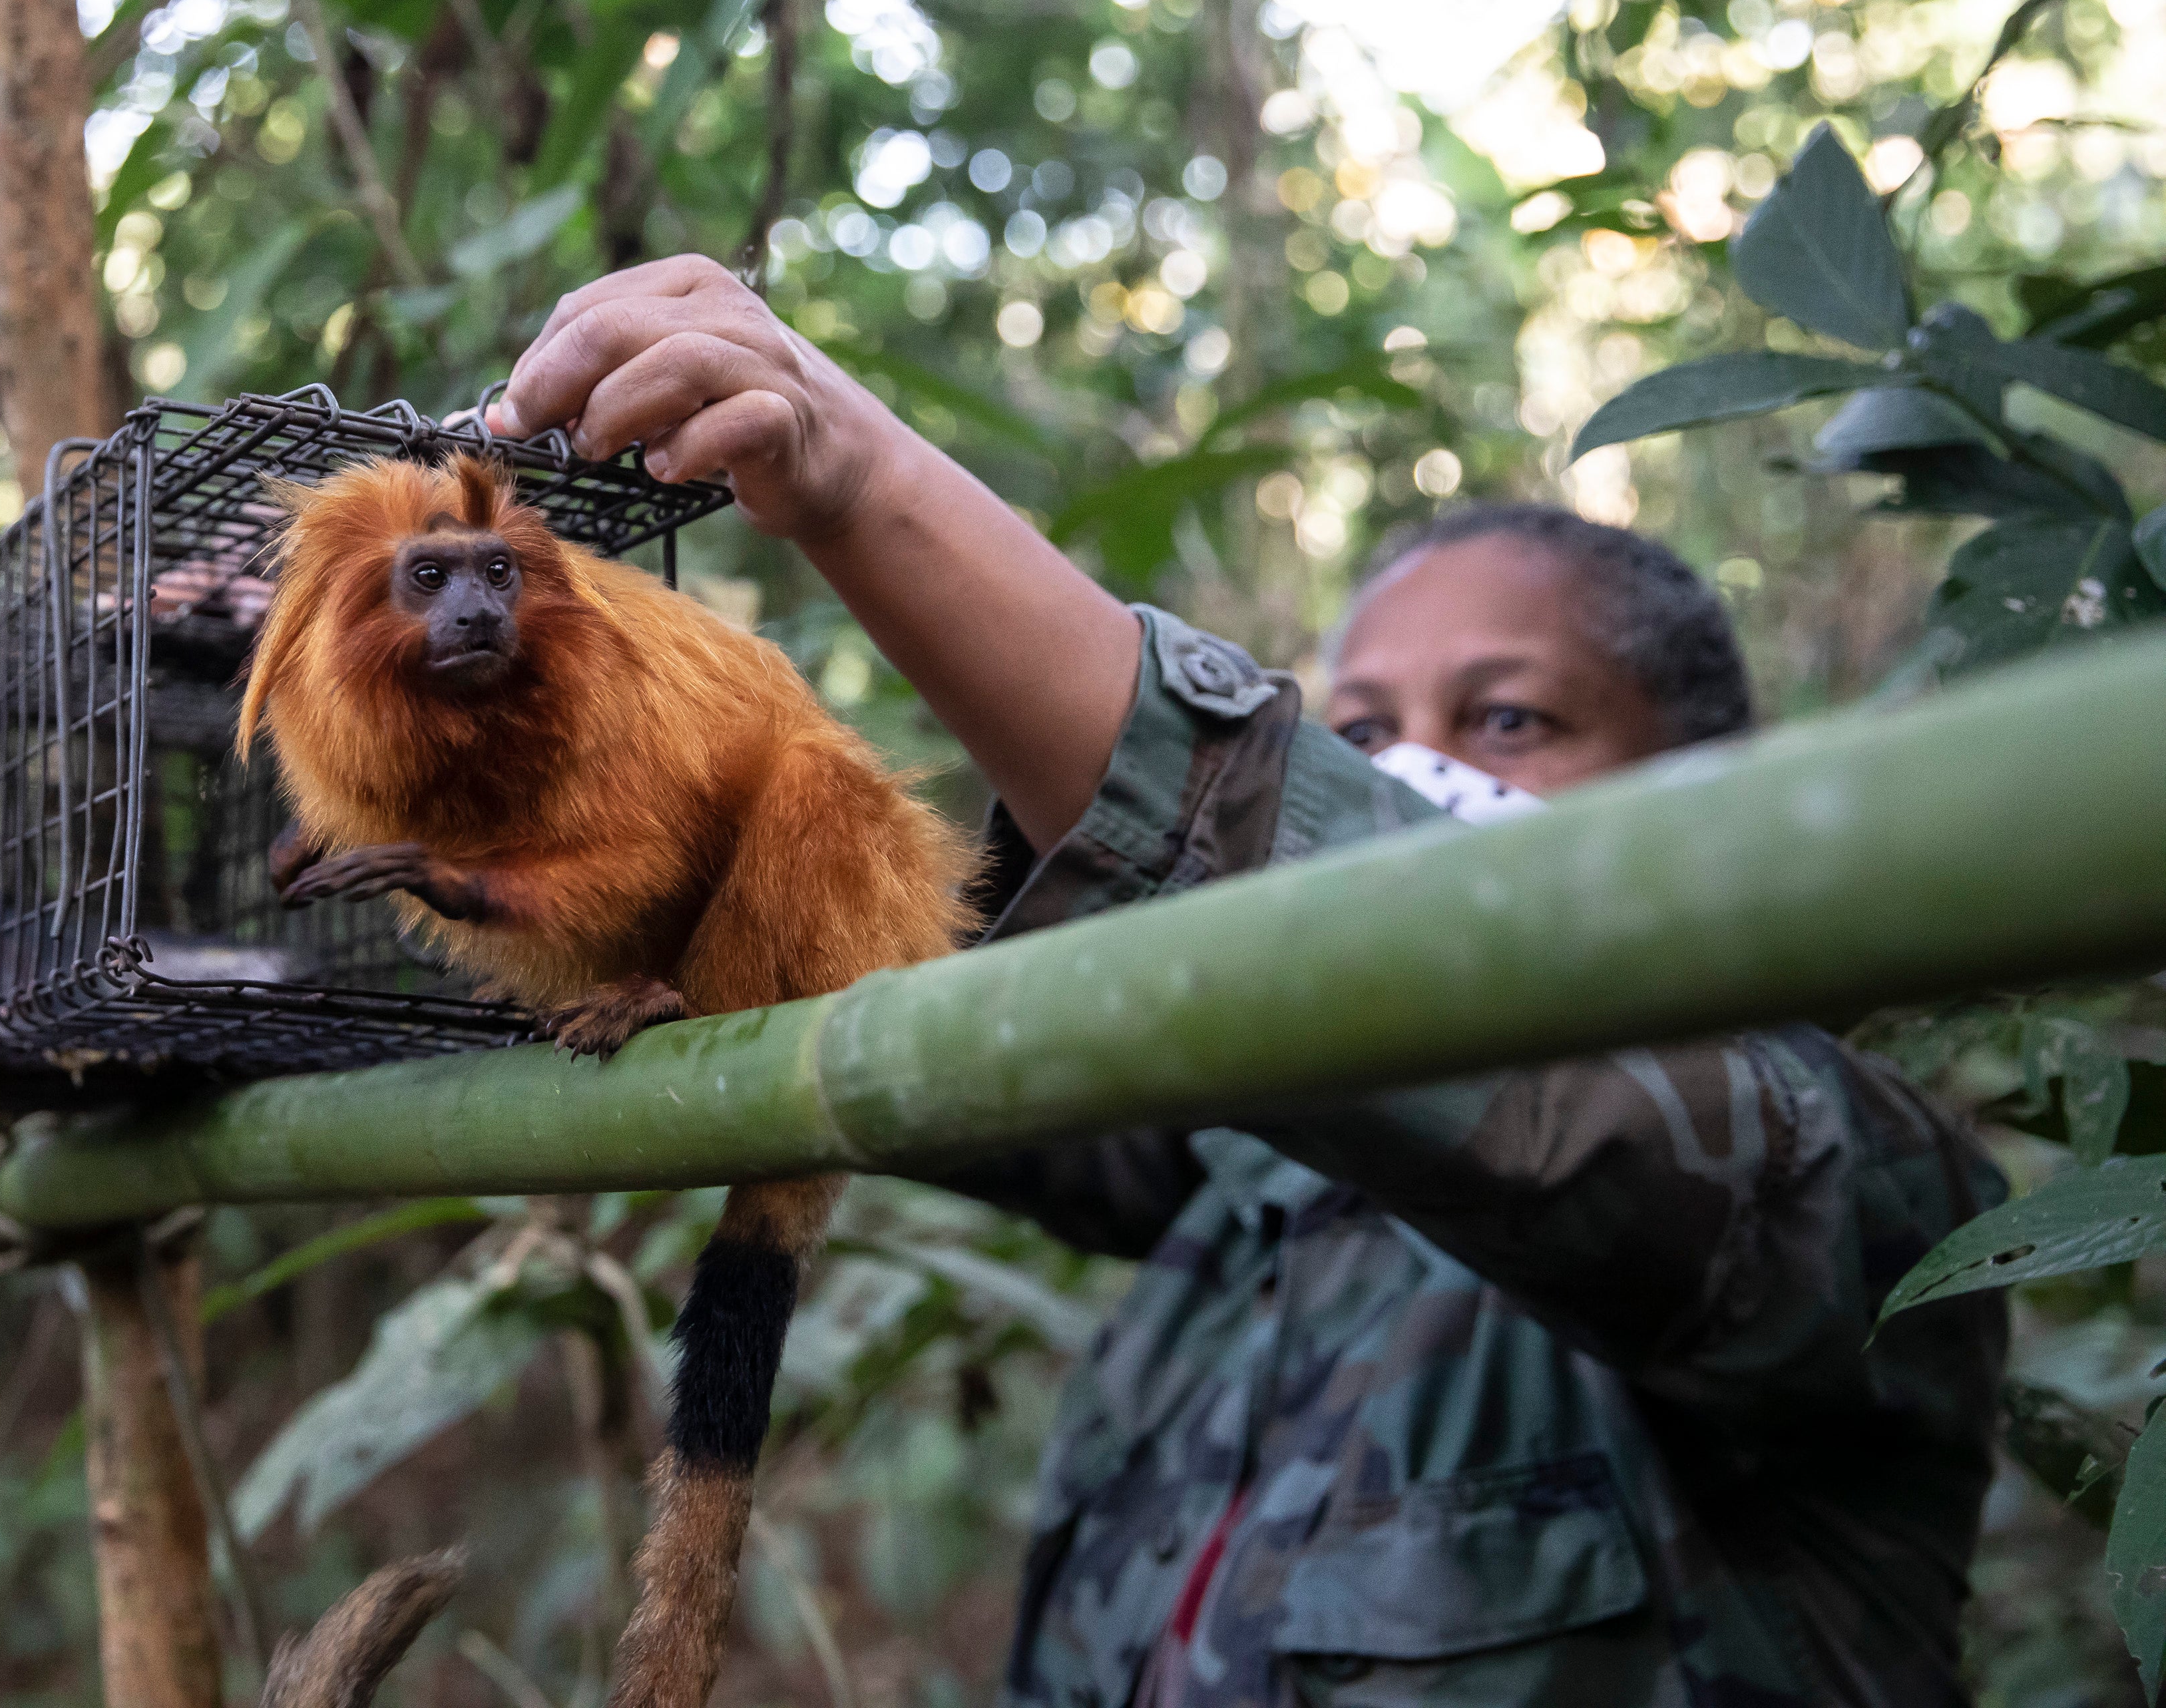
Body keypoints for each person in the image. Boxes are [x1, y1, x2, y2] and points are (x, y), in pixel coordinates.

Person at [486, 258, 2005, 1708]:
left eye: (1515, 720)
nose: (1418, 768)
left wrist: (860, 483)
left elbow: (1396, 977)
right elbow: (880, 993)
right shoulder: (1245, 1180)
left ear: (1696, 785)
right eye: (1363, 729)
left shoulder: (1835, 1196)